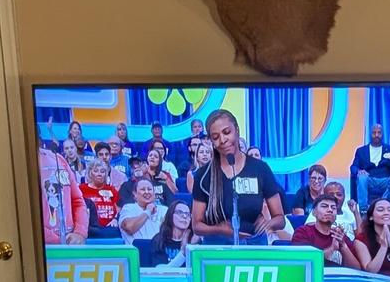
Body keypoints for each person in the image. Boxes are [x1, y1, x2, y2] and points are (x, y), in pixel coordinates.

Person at [190, 108, 285, 244]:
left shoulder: (260, 168)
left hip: (254, 246)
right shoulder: (203, 175)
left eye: (227, 132)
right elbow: (197, 226)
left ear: (237, 130)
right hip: (217, 250)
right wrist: (220, 230)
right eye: (215, 137)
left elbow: (280, 219)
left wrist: (268, 224)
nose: (222, 140)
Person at [285, 192, 368, 270]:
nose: (330, 210)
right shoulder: (303, 232)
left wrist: (343, 246)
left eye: (333, 207)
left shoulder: (340, 236)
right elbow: (302, 263)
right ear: (314, 213)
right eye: (324, 206)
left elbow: (356, 269)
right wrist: (331, 249)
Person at [40, 144, 87, 244]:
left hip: (69, 245)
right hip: (39, 248)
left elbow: (77, 201)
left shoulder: (58, 159)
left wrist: (79, 233)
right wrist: (56, 240)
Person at [350, 123, 390, 209]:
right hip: (369, 179)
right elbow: (353, 167)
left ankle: (382, 206)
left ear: (382, 134)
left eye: (379, 133)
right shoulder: (361, 150)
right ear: (370, 134)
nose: (376, 135)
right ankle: (363, 209)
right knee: (362, 177)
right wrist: (358, 171)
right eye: (374, 133)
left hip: (385, 179)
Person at [120, 176, 166, 263]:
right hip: (136, 256)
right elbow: (129, 228)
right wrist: (148, 211)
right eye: (142, 189)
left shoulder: (164, 210)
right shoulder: (128, 208)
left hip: (160, 254)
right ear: (135, 194)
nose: (147, 192)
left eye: (149, 189)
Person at [78, 151, 123, 240]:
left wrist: (115, 219)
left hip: (109, 228)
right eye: (96, 171)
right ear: (90, 173)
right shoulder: (81, 189)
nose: (99, 174)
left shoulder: (111, 190)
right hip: (90, 228)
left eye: (102, 171)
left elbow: (118, 209)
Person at [152, 199, 194, 268]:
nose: (184, 216)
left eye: (188, 214)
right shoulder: (159, 239)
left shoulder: (193, 241)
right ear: (170, 215)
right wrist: (183, 252)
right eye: (179, 212)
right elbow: (160, 272)